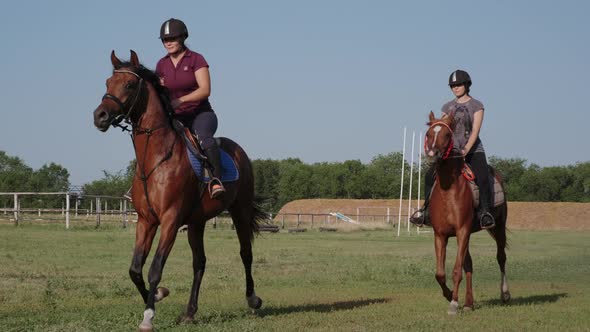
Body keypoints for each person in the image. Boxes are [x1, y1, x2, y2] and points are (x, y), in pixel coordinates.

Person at [410, 69, 495, 229]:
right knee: (429, 176)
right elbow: (443, 130)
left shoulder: (477, 105)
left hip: (473, 150)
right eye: (453, 85)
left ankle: (485, 212)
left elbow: (476, 130)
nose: (456, 87)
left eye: (459, 84)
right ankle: (426, 212)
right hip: (451, 152)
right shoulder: (447, 106)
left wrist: (466, 149)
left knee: (483, 176)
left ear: (467, 85)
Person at [156, 18, 225, 199]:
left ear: (183, 37)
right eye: (165, 39)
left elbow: (205, 90)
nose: (168, 42)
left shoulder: (196, 59)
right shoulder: (161, 65)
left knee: (203, 138)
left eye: (172, 38)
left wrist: (180, 100)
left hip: (200, 114)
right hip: (176, 117)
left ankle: (216, 180)